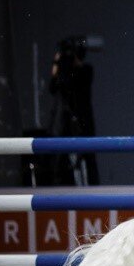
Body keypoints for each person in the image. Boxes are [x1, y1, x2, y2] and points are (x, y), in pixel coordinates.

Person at [49, 35, 99, 185]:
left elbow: (74, 82)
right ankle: (62, 187)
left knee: (89, 157)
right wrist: (56, 64)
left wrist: (68, 63)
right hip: (66, 118)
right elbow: (53, 88)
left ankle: (94, 190)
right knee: (62, 157)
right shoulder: (64, 71)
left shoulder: (86, 70)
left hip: (83, 119)